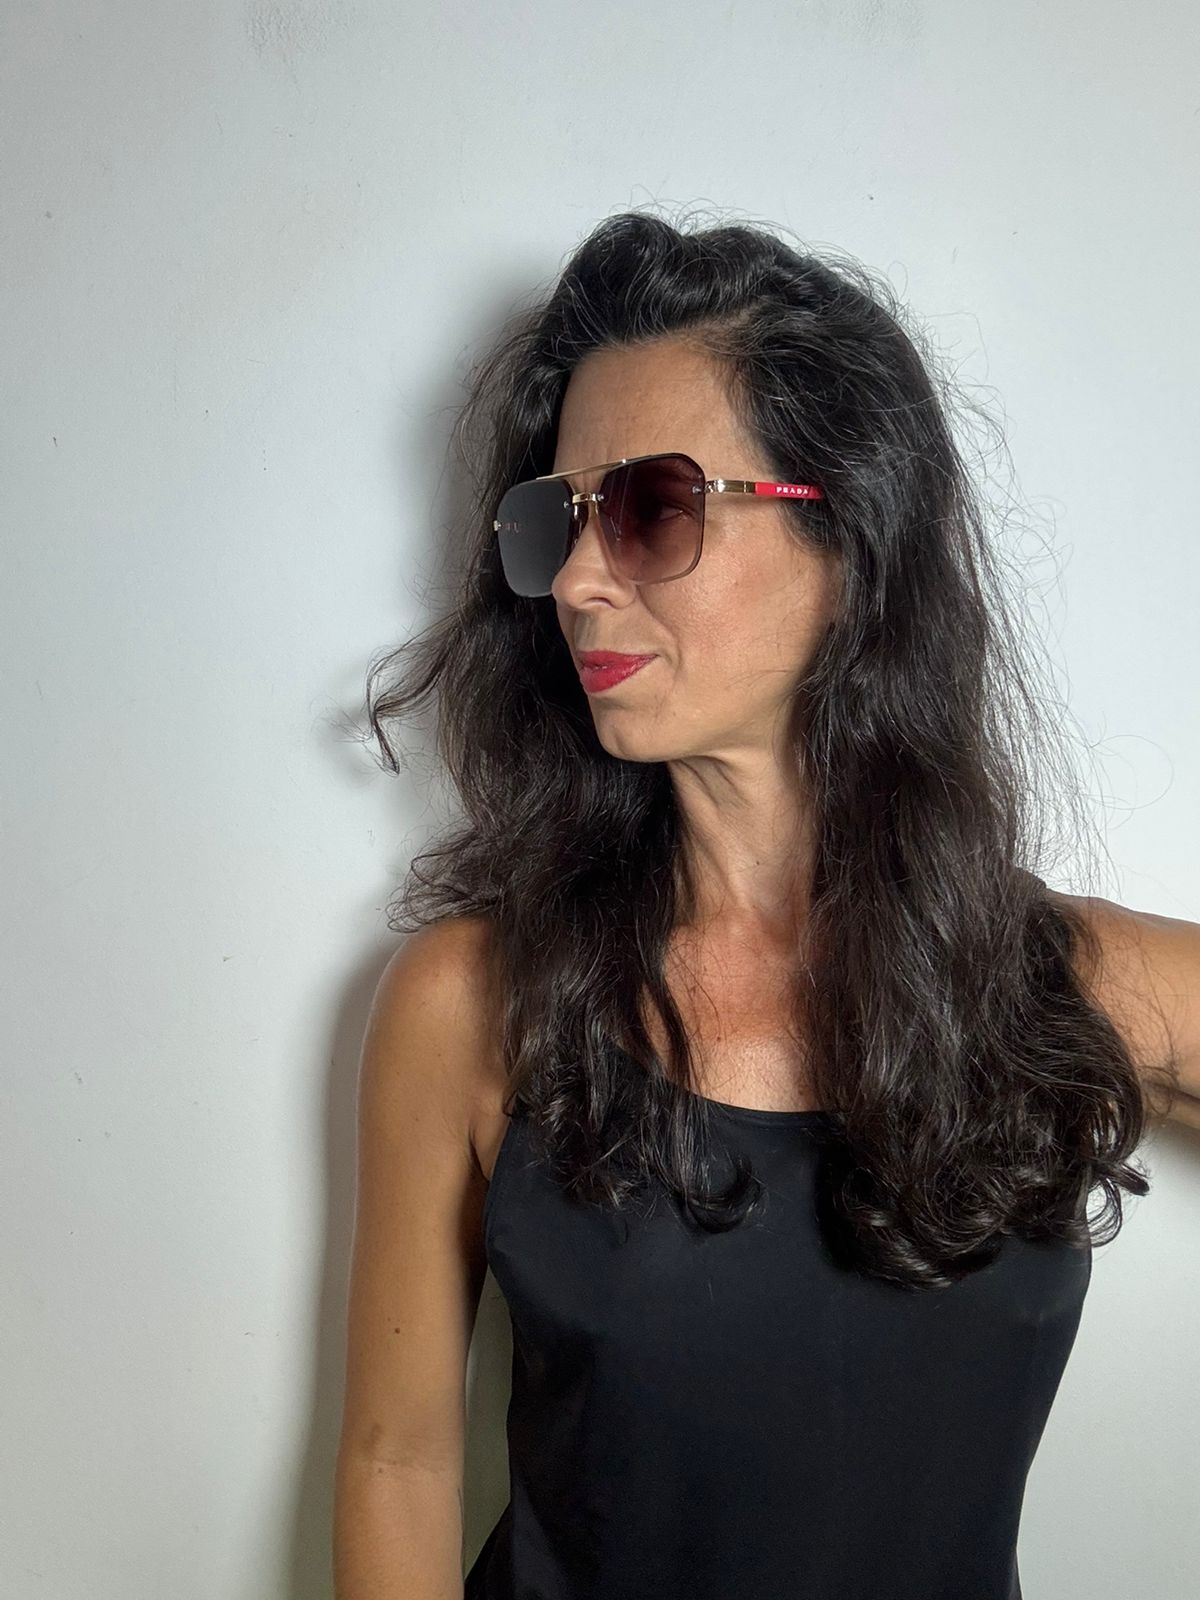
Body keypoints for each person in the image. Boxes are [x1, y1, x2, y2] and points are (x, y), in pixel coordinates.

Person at [332, 210, 1200, 1600]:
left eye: (650, 508)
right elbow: (398, 1462)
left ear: (848, 535)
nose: (580, 580)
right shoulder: (477, 1005)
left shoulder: (1055, 985)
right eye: (555, 520)